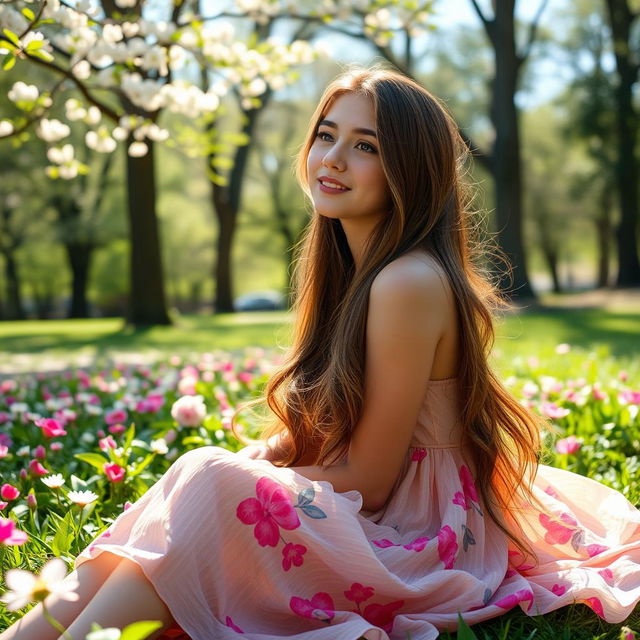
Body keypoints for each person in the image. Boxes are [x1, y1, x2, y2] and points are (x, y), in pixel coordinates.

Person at [2, 65, 640, 640]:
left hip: (422, 539)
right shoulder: (357, 272)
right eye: (326, 135)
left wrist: (231, 480)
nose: (331, 159)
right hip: (392, 513)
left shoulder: (406, 281)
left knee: (204, 485)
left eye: (366, 147)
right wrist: (254, 465)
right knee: (198, 486)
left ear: (409, 171)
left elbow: (372, 480)